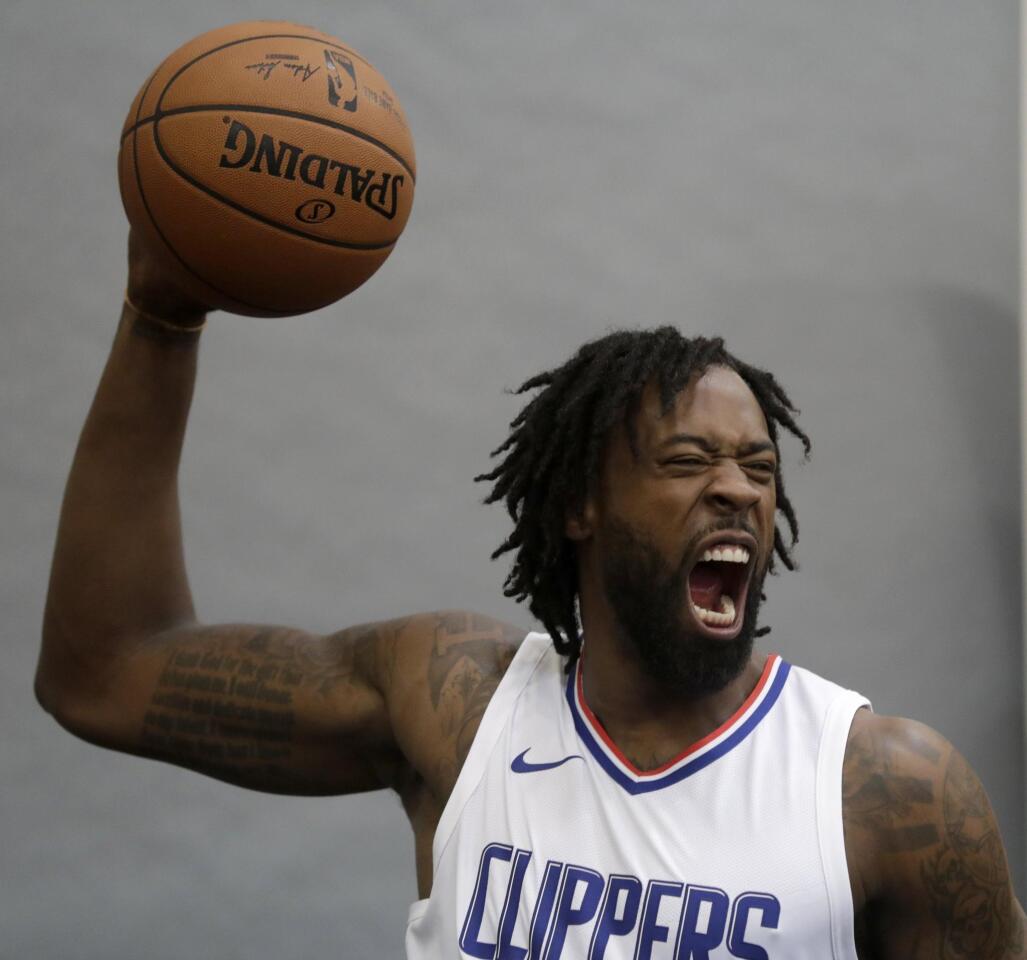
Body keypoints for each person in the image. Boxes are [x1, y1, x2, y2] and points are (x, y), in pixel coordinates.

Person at [37, 234, 1025, 960]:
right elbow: (107, 673)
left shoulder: (890, 794)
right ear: (577, 506)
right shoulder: (455, 708)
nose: (736, 488)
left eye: (759, 468)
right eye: (687, 460)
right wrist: (161, 317)